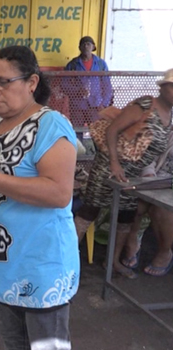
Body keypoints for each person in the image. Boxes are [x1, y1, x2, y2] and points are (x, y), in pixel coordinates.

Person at [0, 45, 79, 349]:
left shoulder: (51, 125)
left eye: (3, 82)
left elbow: (59, 193)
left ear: (32, 82)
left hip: (42, 267)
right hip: (3, 266)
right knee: (13, 344)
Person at [73, 69, 173, 279]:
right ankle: (68, 261)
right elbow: (113, 130)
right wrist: (114, 163)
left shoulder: (169, 115)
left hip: (133, 175)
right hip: (109, 168)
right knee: (89, 211)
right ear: (162, 87)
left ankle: (113, 261)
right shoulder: (145, 105)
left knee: (126, 218)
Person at [117, 68, 173, 277]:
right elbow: (150, 152)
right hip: (155, 176)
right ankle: (134, 239)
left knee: (162, 209)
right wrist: (149, 175)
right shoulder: (151, 109)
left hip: (166, 182)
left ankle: (164, 252)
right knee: (138, 203)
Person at [64, 36, 113, 124]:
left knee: (95, 131)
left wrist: (104, 104)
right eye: (83, 45)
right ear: (79, 48)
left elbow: (107, 86)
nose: (86, 46)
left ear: (93, 47)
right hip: (77, 106)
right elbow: (64, 85)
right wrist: (78, 91)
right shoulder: (73, 64)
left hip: (96, 105)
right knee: (77, 131)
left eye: (88, 44)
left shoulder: (100, 64)